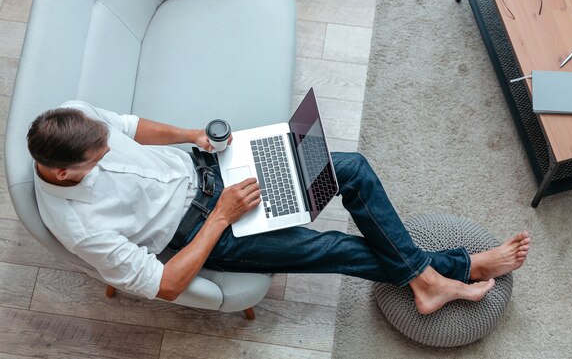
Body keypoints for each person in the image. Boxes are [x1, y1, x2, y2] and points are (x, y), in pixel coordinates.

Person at [27, 101, 531, 315]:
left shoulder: (76, 119)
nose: (112, 149)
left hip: (210, 170)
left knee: (348, 167)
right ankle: (453, 270)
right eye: (101, 157)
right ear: (66, 172)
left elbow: (130, 126)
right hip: (202, 233)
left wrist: (192, 136)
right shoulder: (80, 226)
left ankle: (428, 279)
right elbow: (166, 286)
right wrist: (222, 215)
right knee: (331, 248)